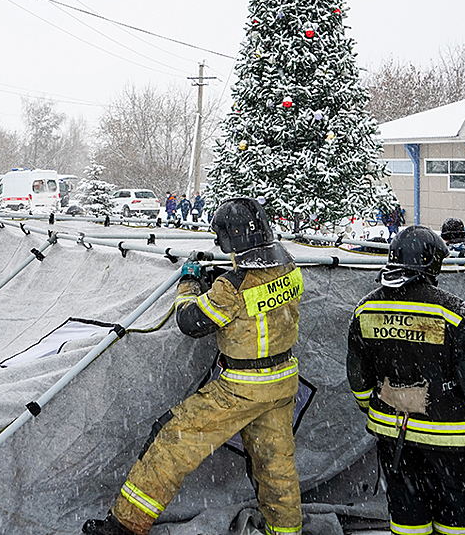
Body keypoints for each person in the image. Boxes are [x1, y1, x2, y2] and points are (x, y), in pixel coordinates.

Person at [83, 197, 303, 535]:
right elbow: (255, 301)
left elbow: (190, 322)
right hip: (283, 381)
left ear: (230, 239)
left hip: (243, 387)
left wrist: (188, 283)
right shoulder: (288, 267)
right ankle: (286, 531)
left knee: (174, 441)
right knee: (276, 467)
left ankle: (123, 527)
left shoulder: (231, 286)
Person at [347, 225, 465, 535]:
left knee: (406, 510)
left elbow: (358, 371)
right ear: (433, 264)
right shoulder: (455, 313)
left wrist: (369, 403)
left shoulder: (367, 308)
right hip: (448, 436)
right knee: (455, 512)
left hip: (394, 432)